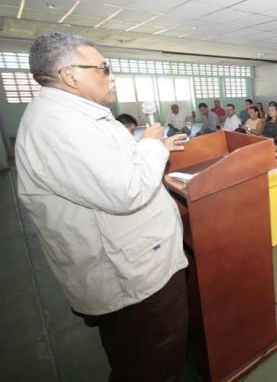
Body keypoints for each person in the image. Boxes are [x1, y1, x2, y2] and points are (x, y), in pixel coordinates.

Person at [15, 32, 189, 381]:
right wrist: (152, 146)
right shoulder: (60, 125)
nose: (110, 76)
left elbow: (110, 167)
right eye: (102, 67)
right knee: (149, 362)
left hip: (137, 260)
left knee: (152, 355)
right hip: (131, 275)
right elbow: (126, 189)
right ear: (70, 75)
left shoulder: (76, 114)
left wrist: (157, 146)